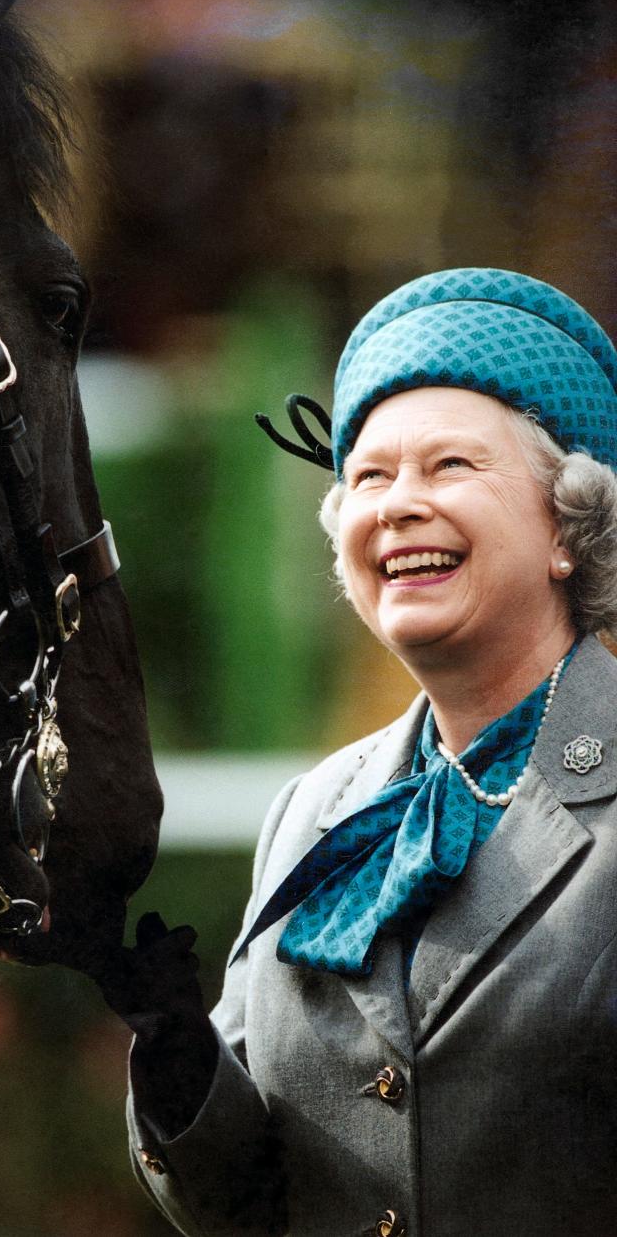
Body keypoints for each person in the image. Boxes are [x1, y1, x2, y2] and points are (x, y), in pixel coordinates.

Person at [94, 267, 617, 1237]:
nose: (397, 504)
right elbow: (243, 1203)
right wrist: (177, 1061)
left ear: (568, 530)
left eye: (451, 465)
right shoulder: (313, 813)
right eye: (370, 476)